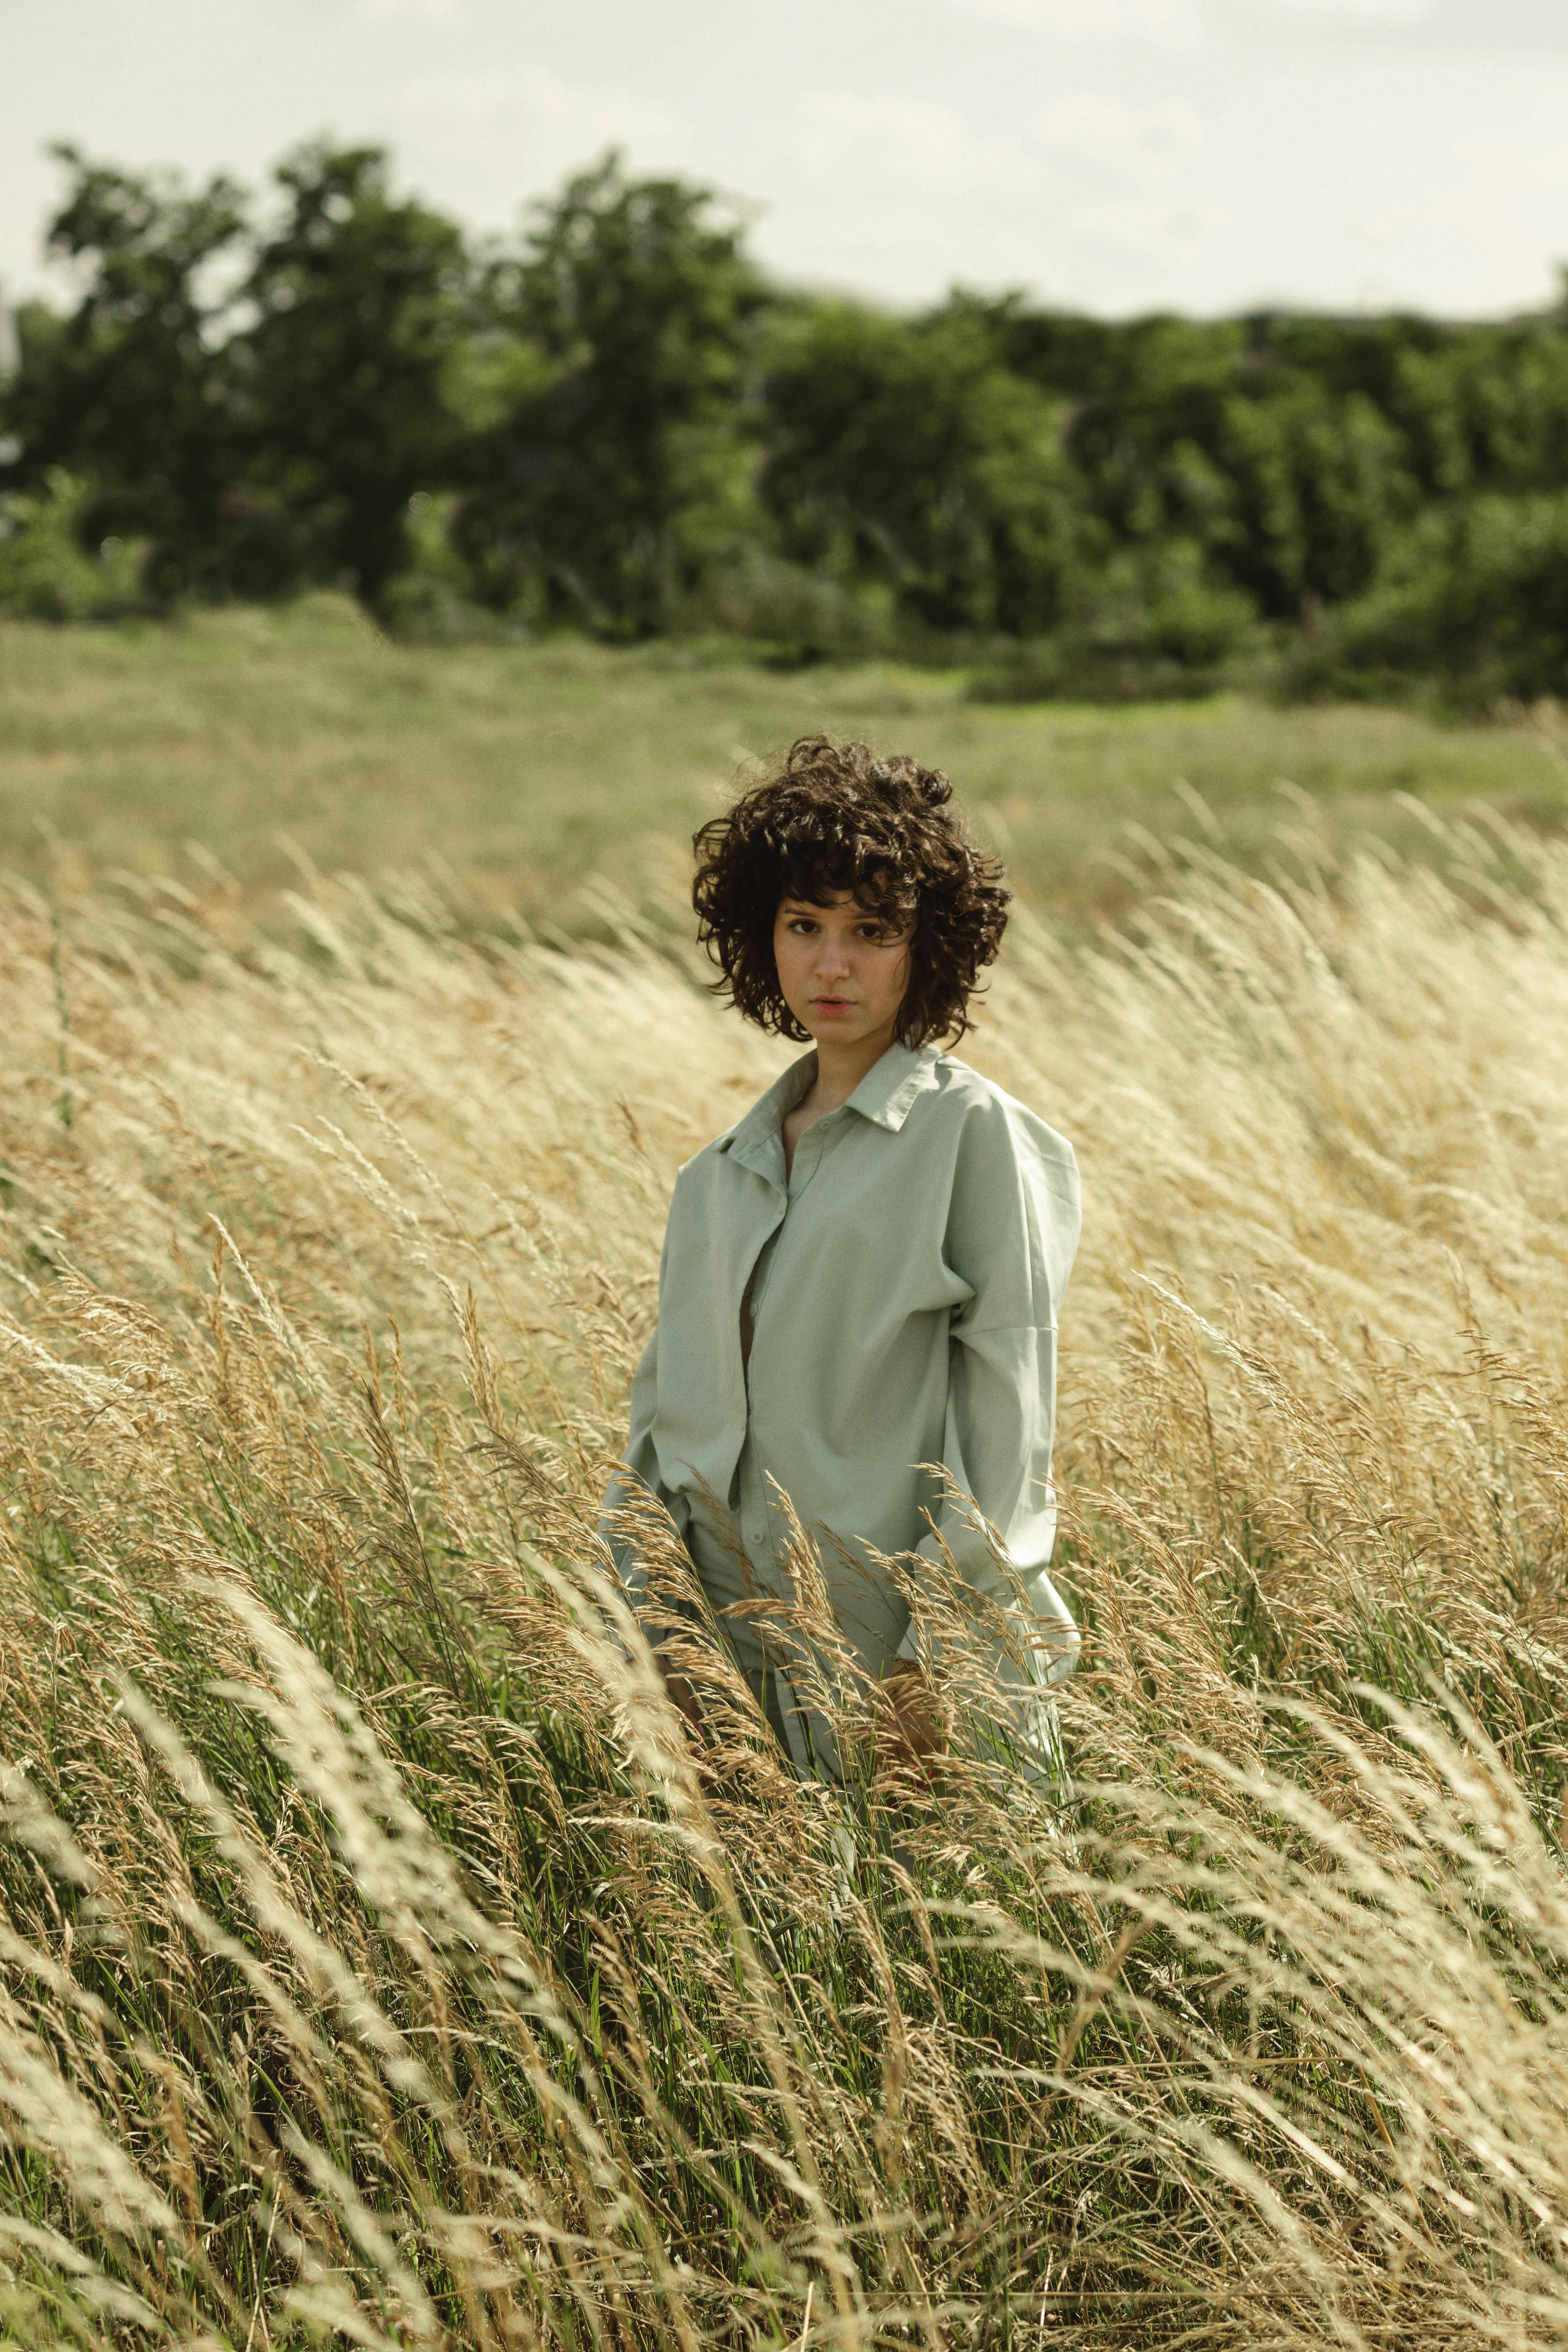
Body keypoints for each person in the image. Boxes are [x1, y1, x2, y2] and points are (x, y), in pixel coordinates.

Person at [601, 735, 1081, 1785]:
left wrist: (934, 1666)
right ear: (759, 936)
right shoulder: (716, 1180)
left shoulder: (976, 1141)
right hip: (733, 1686)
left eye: (873, 932)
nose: (831, 964)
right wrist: (663, 1640)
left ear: (929, 946)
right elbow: (660, 1437)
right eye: (803, 925)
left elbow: (1009, 1430)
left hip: (916, 1690)